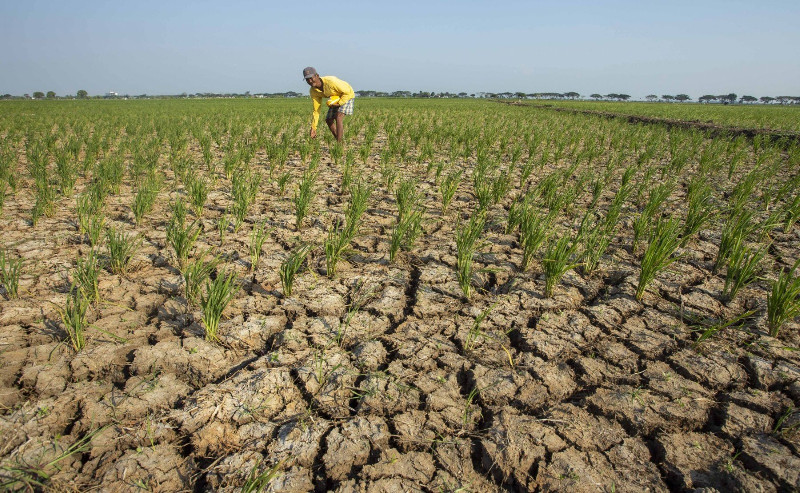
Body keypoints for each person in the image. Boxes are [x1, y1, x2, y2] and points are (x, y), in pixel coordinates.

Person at [303, 67, 355, 142]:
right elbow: (316, 110)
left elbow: (348, 92)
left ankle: (339, 145)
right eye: (307, 79)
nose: (310, 81)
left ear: (317, 76)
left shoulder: (331, 82)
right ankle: (339, 140)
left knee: (338, 117)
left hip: (347, 95)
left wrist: (339, 103)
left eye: (311, 78)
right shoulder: (313, 91)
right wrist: (313, 127)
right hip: (335, 98)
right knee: (329, 120)